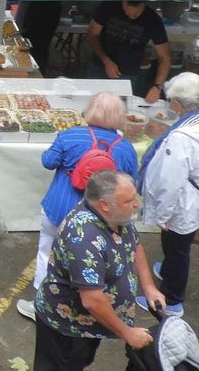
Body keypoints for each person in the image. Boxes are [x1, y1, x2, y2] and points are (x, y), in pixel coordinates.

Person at [0, 171, 164, 371]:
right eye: (130, 200)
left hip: (90, 324)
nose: (136, 204)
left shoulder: (119, 218)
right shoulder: (83, 235)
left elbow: (136, 247)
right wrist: (128, 333)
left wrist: (150, 287)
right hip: (67, 323)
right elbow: (92, 300)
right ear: (105, 204)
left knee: (75, 368)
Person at [17, 92, 137, 321]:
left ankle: (40, 306)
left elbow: (47, 161)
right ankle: (82, 309)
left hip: (60, 207)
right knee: (92, 261)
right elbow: (132, 183)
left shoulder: (70, 136)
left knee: (47, 253)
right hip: (102, 216)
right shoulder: (126, 149)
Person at [137, 73, 199, 317]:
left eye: (170, 100)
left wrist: (163, 215)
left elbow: (170, 182)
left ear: (177, 103)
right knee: (180, 246)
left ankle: (172, 300)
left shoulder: (180, 137)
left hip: (183, 203)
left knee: (177, 248)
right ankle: (167, 269)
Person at [87, 0, 169, 103]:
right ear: (123, 2)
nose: (131, 17)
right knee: (92, 104)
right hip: (99, 66)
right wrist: (106, 61)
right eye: (127, 13)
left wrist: (157, 87)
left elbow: (164, 58)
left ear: (143, 5)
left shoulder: (152, 20)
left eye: (136, 15)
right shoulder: (108, 6)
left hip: (127, 73)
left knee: (118, 108)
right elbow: (92, 35)